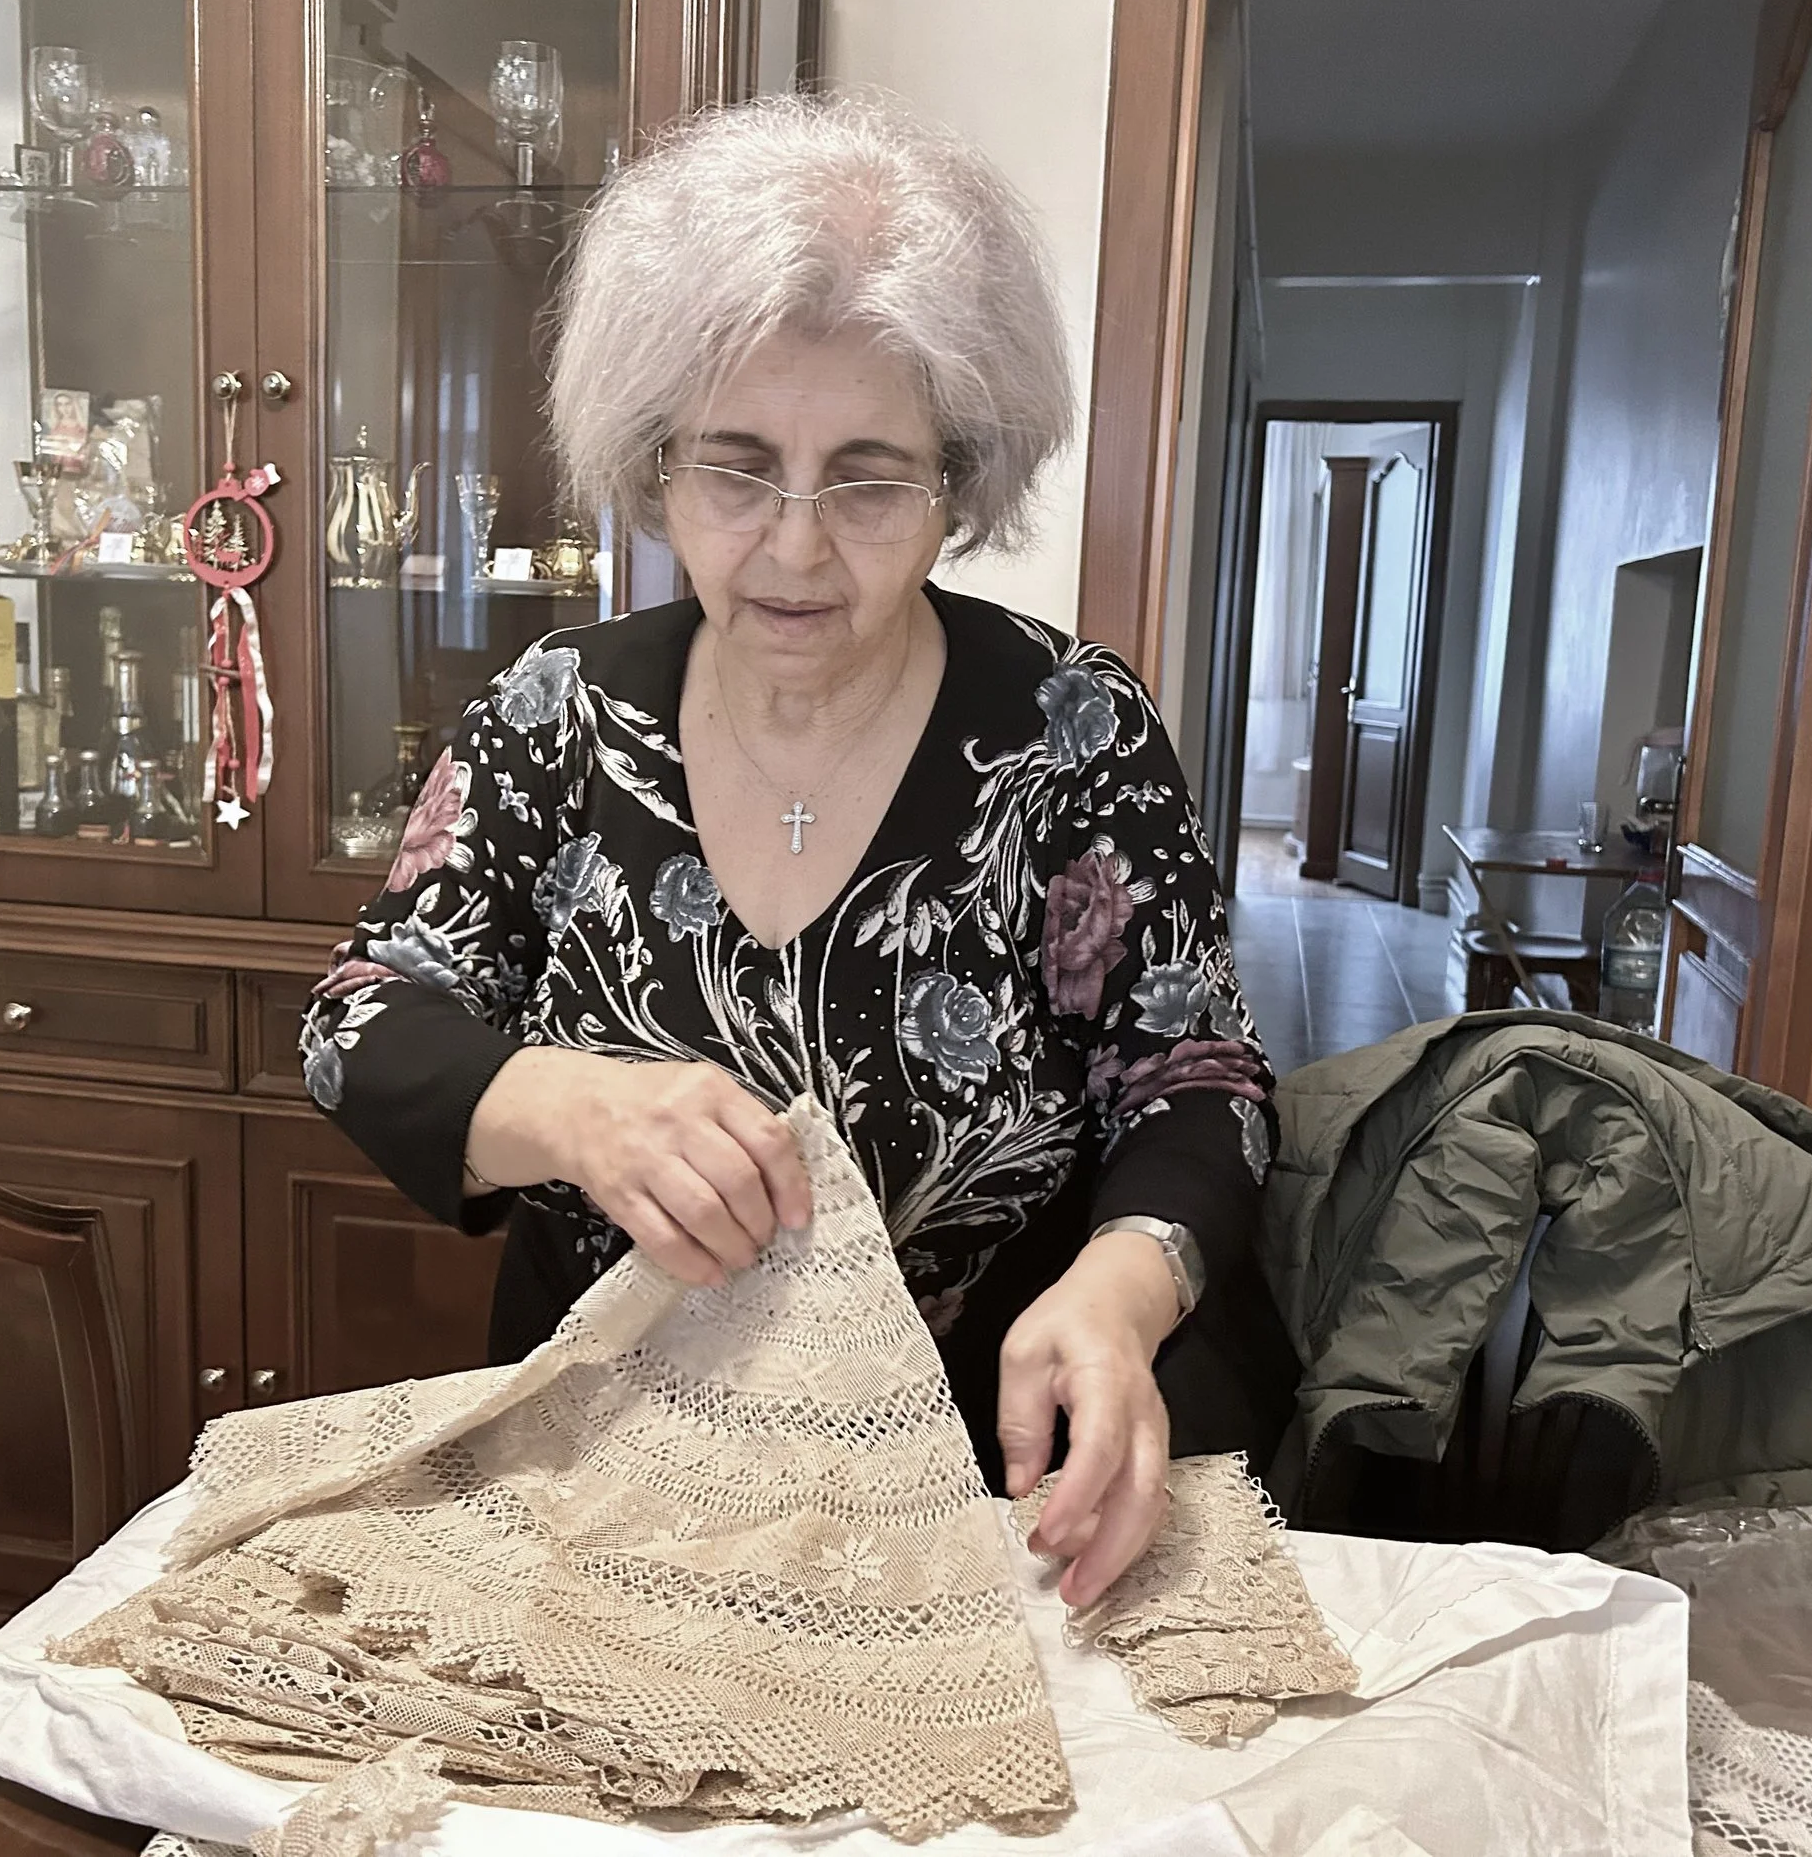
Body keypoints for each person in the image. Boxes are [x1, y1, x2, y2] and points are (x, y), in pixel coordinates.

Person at [303, 94, 1284, 1606]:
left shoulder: (1071, 733)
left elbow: (1194, 1083)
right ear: (653, 460)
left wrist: (1119, 1290)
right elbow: (359, 1023)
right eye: (737, 466)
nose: (798, 544)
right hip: (607, 1504)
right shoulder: (558, 716)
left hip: (985, 1512)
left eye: (872, 475)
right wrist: (567, 1105)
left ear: (961, 478)